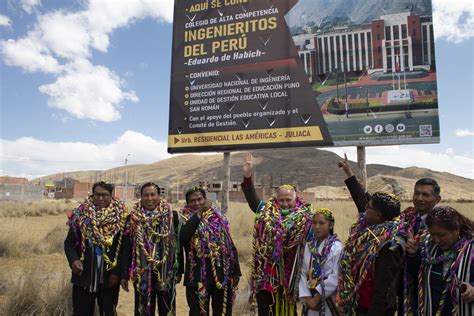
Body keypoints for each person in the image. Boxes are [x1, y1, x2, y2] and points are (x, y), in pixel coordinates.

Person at [241, 153, 312, 315]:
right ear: (276, 199)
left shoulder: (306, 216)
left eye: (289, 200)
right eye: (282, 200)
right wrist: (247, 177)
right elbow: (253, 200)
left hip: (292, 274)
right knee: (266, 309)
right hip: (267, 273)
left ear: (296, 199)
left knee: (289, 310)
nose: (285, 204)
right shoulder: (266, 210)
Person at [337, 156, 405, 315]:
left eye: (369, 207)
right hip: (358, 302)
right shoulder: (371, 227)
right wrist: (349, 172)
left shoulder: (390, 243)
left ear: (379, 215)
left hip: (373, 309)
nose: (364, 209)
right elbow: (361, 199)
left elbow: (382, 288)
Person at [64, 181, 128, 316]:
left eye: (104, 195)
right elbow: (69, 243)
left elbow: (124, 249)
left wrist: (117, 273)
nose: (100, 198)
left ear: (112, 196)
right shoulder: (81, 216)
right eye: (97, 195)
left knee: (108, 312)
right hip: (83, 278)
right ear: (92, 196)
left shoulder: (122, 218)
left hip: (109, 280)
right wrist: (74, 260)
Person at [120, 182, 183, 315]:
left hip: (166, 272)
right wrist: (124, 274)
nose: (149, 198)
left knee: (167, 310)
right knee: (143, 309)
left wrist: (179, 270)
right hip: (142, 271)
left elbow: (177, 245)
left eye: (153, 194)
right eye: (146, 195)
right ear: (140, 197)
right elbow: (126, 248)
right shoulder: (133, 219)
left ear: (159, 196)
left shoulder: (172, 216)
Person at [179, 186, 241, 316]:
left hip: (221, 273)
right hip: (196, 275)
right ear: (187, 203)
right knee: (198, 312)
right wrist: (199, 213)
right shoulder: (183, 219)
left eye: (199, 199)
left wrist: (236, 271)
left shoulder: (219, 218)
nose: (197, 203)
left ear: (205, 199)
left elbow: (229, 244)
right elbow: (184, 236)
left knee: (223, 312)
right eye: (192, 201)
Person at [406, 205, 474, 315]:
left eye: (442, 235)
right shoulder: (428, 248)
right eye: (433, 234)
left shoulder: (471, 250)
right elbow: (416, 277)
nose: (437, 240)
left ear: (456, 230)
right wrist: (413, 255)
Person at [299, 208, 343, 316]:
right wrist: (307, 297)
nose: (317, 227)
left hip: (328, 299)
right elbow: (303, 272)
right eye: (314, 223)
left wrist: (317, 298)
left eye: (321, 223)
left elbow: (335, 276)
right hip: (309, 297)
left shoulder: (337, 247)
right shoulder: (308, 246)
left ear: (331, 225)